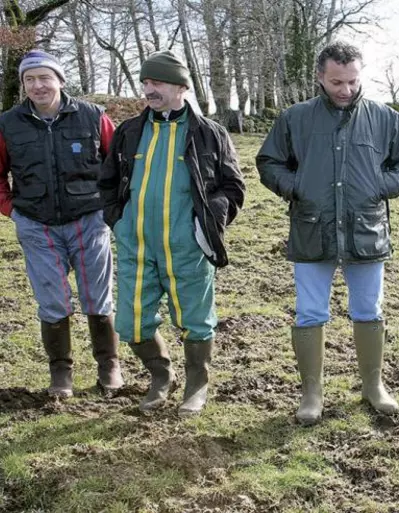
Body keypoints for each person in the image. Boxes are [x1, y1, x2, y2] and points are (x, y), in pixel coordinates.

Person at [256, 41, 399, 425]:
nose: (345, 90)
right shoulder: (294, 118)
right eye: (336, 81)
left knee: (369, 309)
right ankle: (311, 393)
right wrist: (297, 186)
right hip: (311, 230)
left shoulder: (385, 118)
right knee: (309, 312)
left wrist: (381, 186)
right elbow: (268, 162)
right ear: (320, 76)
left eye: (352, 81)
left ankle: (373, 386)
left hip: (365, 230)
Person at [98, 50, 245, 417]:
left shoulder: (210, 133)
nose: (149, 89)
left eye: (157, 82)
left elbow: (233, 187)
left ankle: (197, 383)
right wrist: (118, 220)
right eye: (146, 82)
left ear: (181, 86)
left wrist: (207, 223)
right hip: (136, 246)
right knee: (132, 323)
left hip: (188, 248)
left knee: (196, 321)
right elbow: (108, 182)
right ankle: (161, 376)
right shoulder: (130, 132)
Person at [0, 50, 122, 398]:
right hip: (37, 226)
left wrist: (107, 209)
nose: (37, 86)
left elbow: (117, 167)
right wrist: (13, 211)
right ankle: (61, 373)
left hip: (89, 220)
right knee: (51, 300)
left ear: (60, 80)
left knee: (98, 298)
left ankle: (109, 365)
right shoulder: (7, 124)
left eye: (44, 77)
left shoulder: (93, 116)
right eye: (29, 79)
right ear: (23, 84)